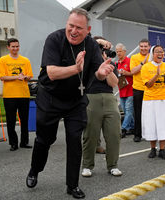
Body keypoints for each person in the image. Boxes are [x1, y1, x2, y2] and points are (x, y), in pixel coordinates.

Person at [26, 8, 114, 199]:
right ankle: (35, 170)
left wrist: (102, 72)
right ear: (66, 24)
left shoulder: (91, 45)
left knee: (74, 141)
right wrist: (76, 68)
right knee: (45, 140)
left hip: (76, 100)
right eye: (71, 26)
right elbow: (51, 73)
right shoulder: (54, 39)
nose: (74, 31)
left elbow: (97, 73)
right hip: (51, 98)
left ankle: (72, 185)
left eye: (79, 28)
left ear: (88, 29)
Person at [81, 37, 122, 178]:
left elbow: (113, 83)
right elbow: (86, 43)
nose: (103, 51)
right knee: (90, 135)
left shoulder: (111, 64)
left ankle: (113, 165)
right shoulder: (88, 60)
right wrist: (98, 42)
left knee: (114, 134)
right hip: (92, 97)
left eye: (105, 49)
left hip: (109, 98)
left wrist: (107, 65)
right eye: (101, 48)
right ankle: (87, 166)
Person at [141, 45, 165, 159]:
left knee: (164, 124)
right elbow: (148, 84)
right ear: (152, 54)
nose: (160, 54)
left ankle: (162, 150)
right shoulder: (146, 67)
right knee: (151, 124)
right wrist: (157, 75)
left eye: (161, 52)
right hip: (150, 99)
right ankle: (153, 149)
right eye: (157, 51)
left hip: (164, 99)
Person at [0, 38, 33, 151]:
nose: (15, 48)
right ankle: (13, 143)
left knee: (25, 119)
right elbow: (2, 77)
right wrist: (16, 77)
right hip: (9, 95)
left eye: (17, 46)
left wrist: (24, 77)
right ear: (8, 47)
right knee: (11, 120)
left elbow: (29, 76)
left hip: (23, 94)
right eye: (13, 46)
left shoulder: (25, 60)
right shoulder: (3, 60)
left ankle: (24, 142)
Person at [130, 39, 150, 142]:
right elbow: (133, 71)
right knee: (138, 112)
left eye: (145, 46)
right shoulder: (134, 57)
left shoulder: (153, 57)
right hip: (138, 88)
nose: (143, 48)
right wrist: (143, 63)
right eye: (141, 46)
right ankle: (137, 134)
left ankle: (149, 133)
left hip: (150, 89)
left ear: (149, 47)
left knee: (149, 113)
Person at [115, 43, 135, 137]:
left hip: (130, 89)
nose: (118, 53)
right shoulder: (117, 63)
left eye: (120, 51)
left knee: (129, 109)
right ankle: (132, 126)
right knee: (126, 111)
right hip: (122, 89)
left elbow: (135, 73)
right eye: (117, 51)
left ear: (124, 51)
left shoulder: (130, 61)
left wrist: (126, 73)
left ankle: (123, 128)